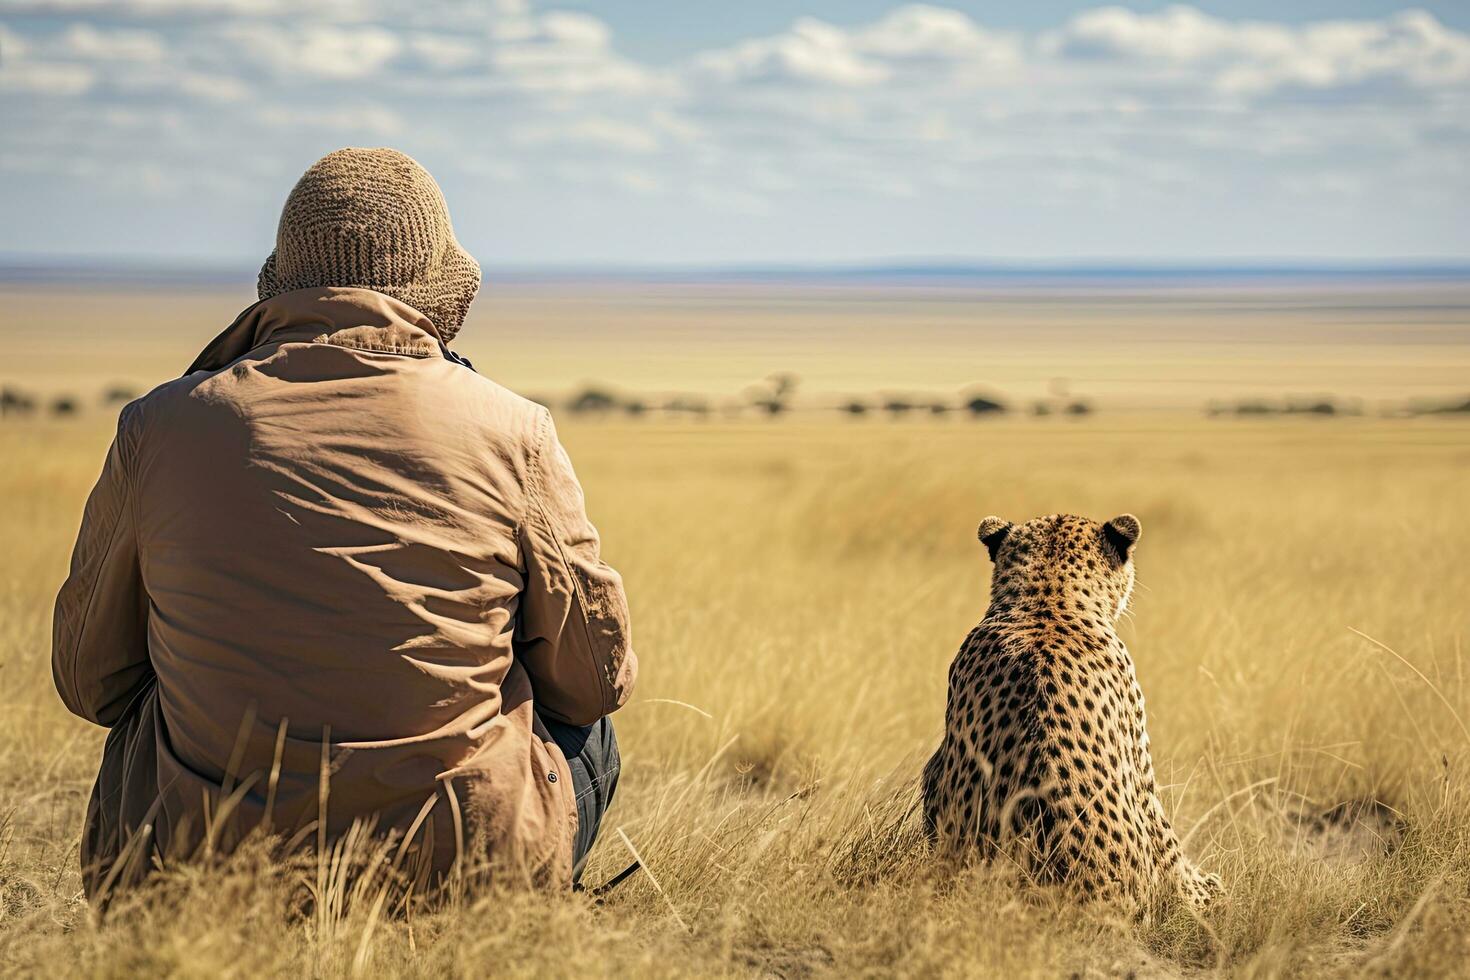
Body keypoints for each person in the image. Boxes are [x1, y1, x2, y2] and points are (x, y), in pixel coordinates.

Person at [51, 147, 636, 898]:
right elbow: (595, 682)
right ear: (438, 293)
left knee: (153, 712)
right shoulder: (513, 429)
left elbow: (89, 682)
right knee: (588, 737)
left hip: (199, 873)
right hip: (457, 863)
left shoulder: (160, 425)